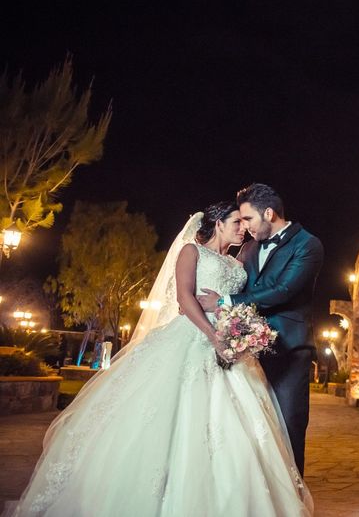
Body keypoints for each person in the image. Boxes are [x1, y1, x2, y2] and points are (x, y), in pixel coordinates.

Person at [4, 203, 314, 517]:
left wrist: (238, 329)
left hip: (230, 345)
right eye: (236, 221)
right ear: (218, 223)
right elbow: (184, 298)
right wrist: (212, 334)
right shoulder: (191, 252)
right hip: (194, 336)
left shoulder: (236, 262)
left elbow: (238, 301)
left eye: (243, 223)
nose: (242, 228)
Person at [197, 183, 323, 472]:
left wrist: (224, 301)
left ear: (268, 213)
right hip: (246, 351)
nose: (245, 227)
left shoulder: (308, 244)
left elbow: (284, 290)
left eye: (249, 219)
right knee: (250, 428)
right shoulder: (250, 247)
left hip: (289, 350)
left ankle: (293, 502)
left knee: (289, 426)